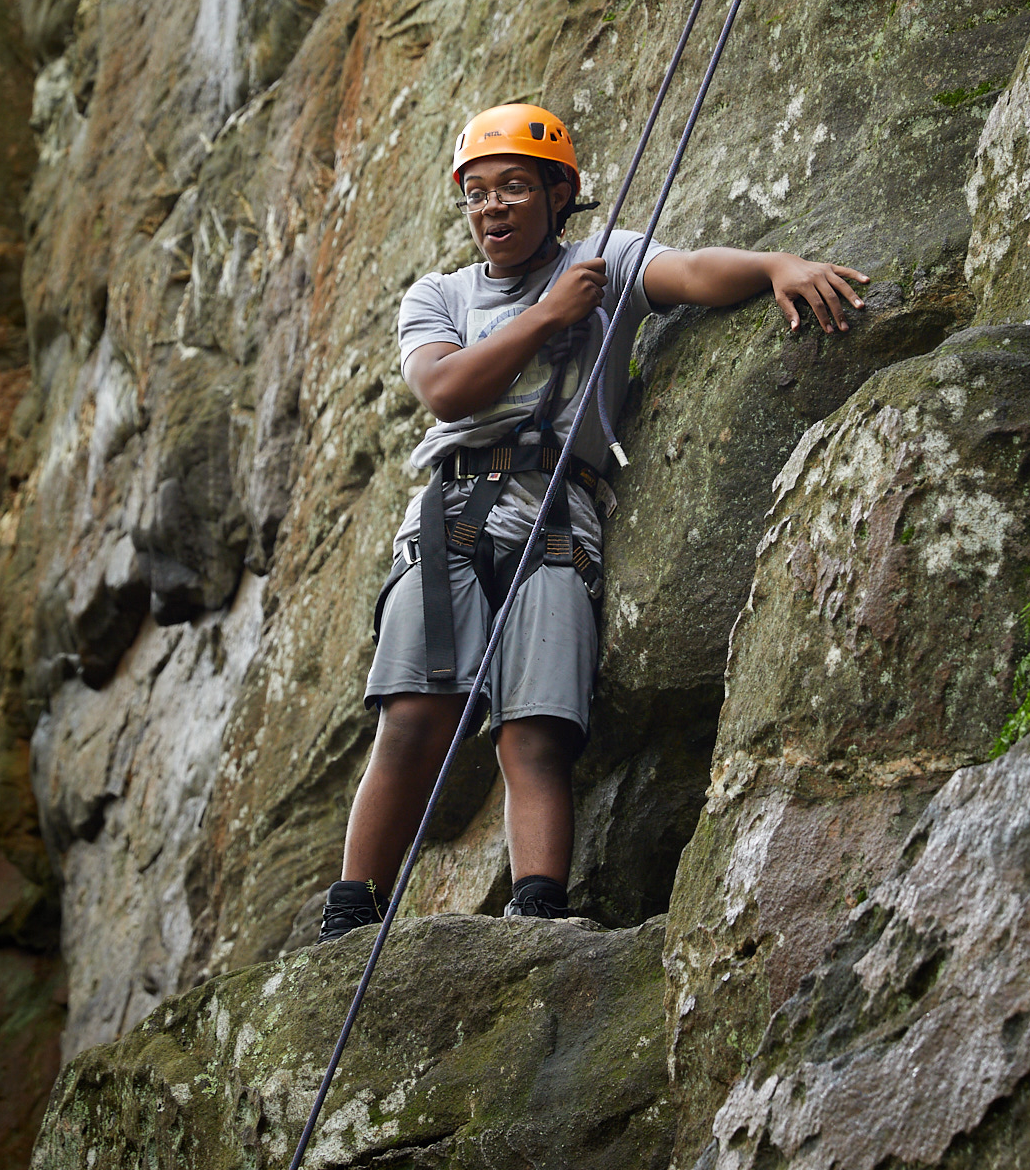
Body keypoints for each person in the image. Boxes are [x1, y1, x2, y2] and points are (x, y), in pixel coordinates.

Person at [318, 101, 868, 937]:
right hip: (453, 512)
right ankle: (350, 913)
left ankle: (538, 909)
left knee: (536, 728)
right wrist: (546, 317)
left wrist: (773, 266)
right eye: (476, 193)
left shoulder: (604, 260)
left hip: (558, 515)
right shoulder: (439, 296)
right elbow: (445, 389)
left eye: (512, 188)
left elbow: (687, 274)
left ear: (556, 192)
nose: (491, 207)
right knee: (414, 716)